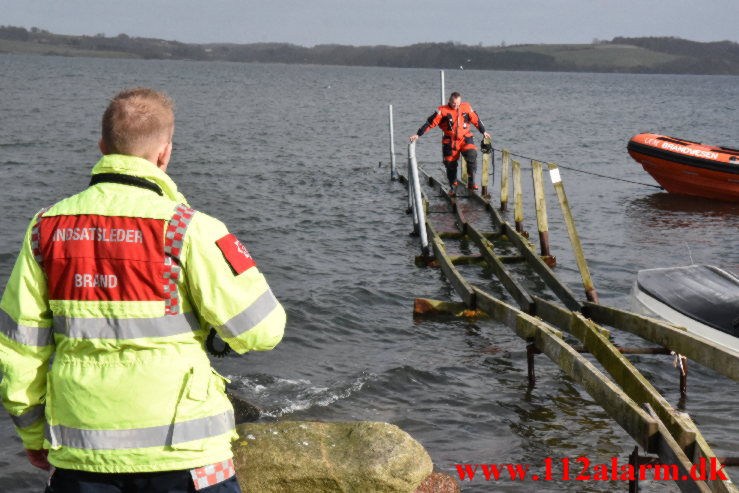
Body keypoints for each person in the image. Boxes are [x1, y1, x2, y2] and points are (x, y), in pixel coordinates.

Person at [0, 88, 286, 492]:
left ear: (103, 147)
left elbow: (19, 348)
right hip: (187, 456)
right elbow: (263, 330)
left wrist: (33, 436)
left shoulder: (45, 229)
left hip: (81, 454)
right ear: (165, 153)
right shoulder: (191, 229)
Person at [410, 92, 490, 194]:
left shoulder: (466, 107)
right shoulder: (442, 111)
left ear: (460, 102)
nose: (455, 106)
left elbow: (476, 120)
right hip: (450, 140)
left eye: (457, 103)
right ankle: (453, 186)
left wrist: (484, 131)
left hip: (465, 138)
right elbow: (430, 123)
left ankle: (471, 180)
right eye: (453, 103)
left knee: (472, 154)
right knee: (450, 164)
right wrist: (418, 134)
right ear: (449, 101)